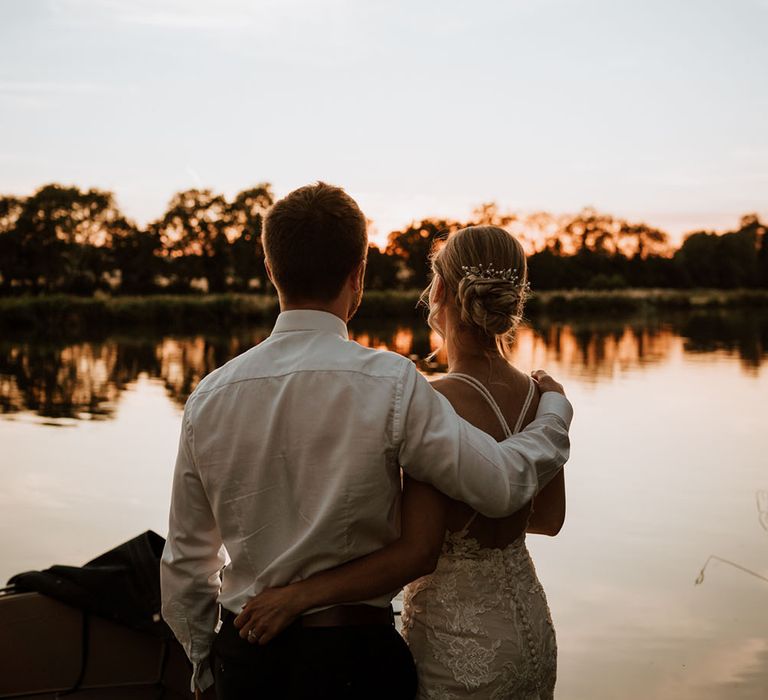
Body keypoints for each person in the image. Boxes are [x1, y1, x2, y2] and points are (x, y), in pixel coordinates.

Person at [160, 184, 573, 699]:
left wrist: (206, 668)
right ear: (359, 272)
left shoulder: (207, 398)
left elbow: (185, 562)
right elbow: (501, 485)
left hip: (248, 658)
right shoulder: (393, 384)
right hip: (354, 660)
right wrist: (554, 413)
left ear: (270, 268)